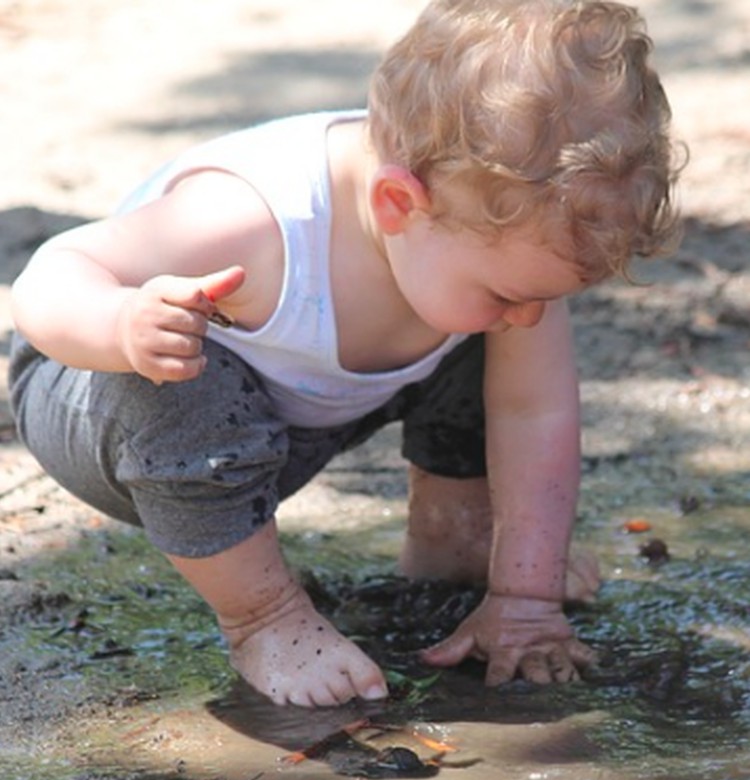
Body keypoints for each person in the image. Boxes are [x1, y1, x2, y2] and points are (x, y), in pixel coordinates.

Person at [9, 0, 681, 708]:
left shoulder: (478, 236)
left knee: (492, 343)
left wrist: (526, 595)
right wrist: (120, 325)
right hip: (104, 401)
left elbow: (534, 413)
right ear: (398, 203)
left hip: (291, 415)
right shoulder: (255, 221)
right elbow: (50, 275)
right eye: (511, 289)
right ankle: (265, 618)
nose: (530, 314)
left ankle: (456, 537)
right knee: (183, 381)